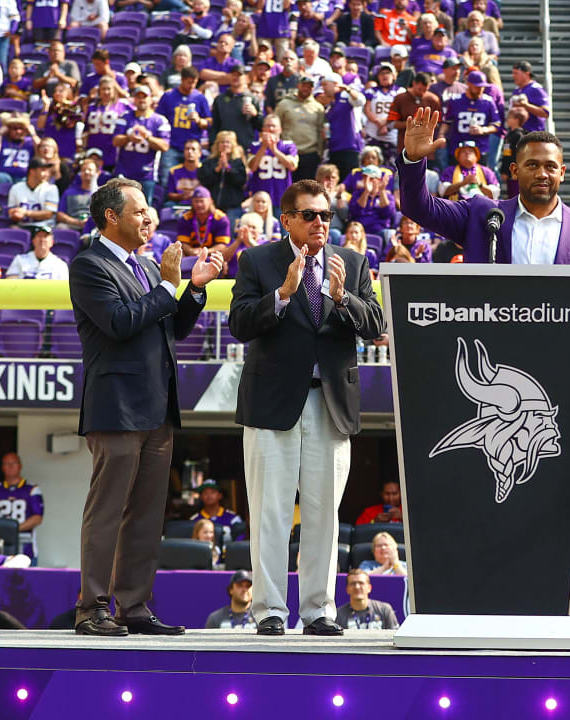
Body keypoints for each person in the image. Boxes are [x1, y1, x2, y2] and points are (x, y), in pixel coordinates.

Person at [229, 179, 385, 638]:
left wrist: (342, 298)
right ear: (288, 220)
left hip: (330, 403)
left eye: (326, 215)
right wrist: (281, 295)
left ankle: (318, 611)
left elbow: (375, 324)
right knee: (270, 514)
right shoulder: (257, 260)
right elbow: (239, 323)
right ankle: (269, 611)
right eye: (311, 215)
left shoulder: (352, 262)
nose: (321, 223)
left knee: (323, 516)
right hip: (272, 403)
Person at [68, 178, 223, 637]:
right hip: (116, 406)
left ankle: (133, 606)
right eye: (139, 211)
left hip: (158, 407)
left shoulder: (149, 267)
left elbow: (169, 327)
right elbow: (119, 324)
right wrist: (168, 285)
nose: (149, 217)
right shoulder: (89, 265)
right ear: (111, 217)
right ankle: (91, 608)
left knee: (148, 513)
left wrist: (191, 290)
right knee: (108, 511)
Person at [400, 111, 570, 426]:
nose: (542, 173)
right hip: (489, 374)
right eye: (532, 165)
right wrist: (412, 160)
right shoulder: (483, 215)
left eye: (549, 166)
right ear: (515, 171)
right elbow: (418, 207)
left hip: (561, 373)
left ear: (563, 172)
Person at [0, 453, 44, 557]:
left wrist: (13, 529)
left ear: (20, 465)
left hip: (25, 543)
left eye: (14, 463)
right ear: (2, 467)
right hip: (0, 542)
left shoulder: (32, 489)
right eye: (7, 464)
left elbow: (37, 518)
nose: (10, 466)